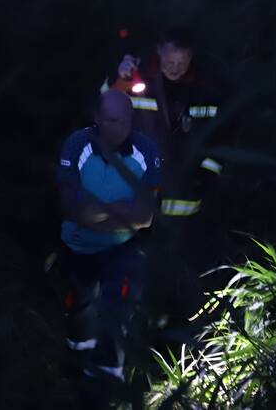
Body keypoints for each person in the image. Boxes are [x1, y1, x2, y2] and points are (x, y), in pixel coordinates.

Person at [102, 27, 232, 326]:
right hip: (139, 199)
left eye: (182, 63)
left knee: (181, 271)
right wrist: (119, 78)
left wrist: (206, 176)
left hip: (187, 201)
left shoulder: (206, 89)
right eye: (170, 62)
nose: (175, 68)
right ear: (159, 51)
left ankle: (178, 327)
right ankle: (134, 327)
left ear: (191, 57)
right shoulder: (137, 79)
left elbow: (222, 138)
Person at [55, 89, 162, 402]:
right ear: (97, 118)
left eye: (124, 120)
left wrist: (96, 211)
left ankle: (104, 386)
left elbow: (145, 216)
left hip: (124, 248)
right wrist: (121, 210)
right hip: (79, 246)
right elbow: (74, 210)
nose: (118, 127)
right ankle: (75, 364)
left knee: (118, 310)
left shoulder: (146, 150)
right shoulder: (77, 145)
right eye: (111, 120)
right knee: (80, 310)